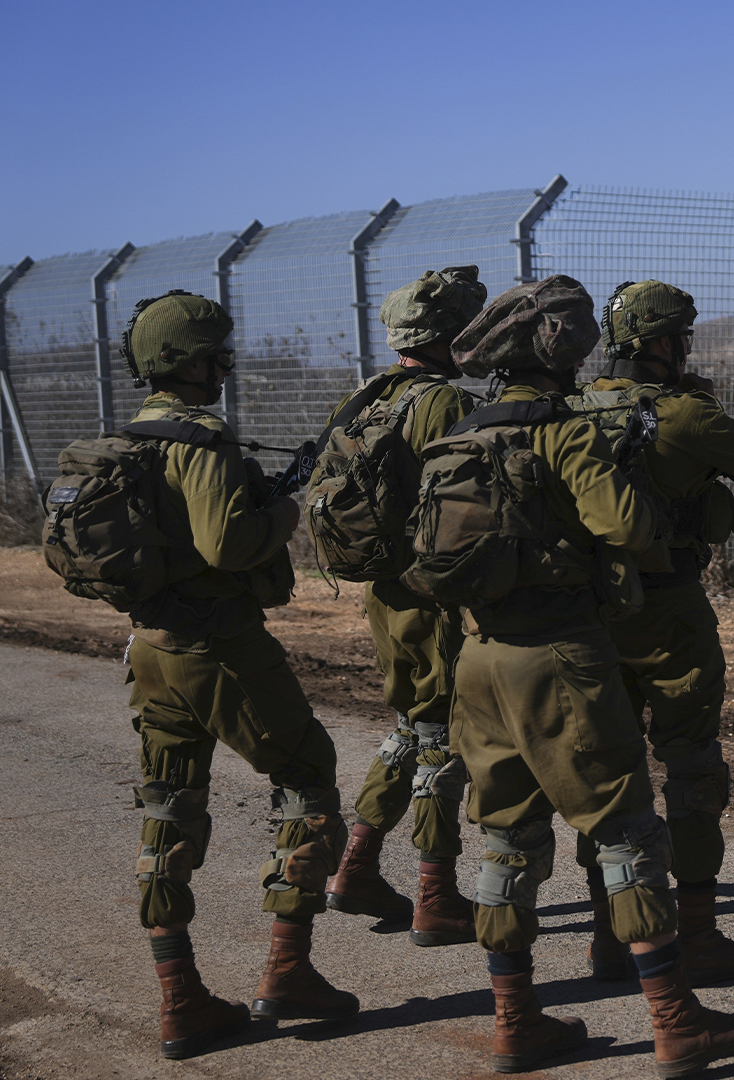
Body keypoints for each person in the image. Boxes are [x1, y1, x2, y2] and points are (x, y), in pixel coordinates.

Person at [440, 276, 734, 1075]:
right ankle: (675, 1019)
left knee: (506, 840)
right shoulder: (561, 431)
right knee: (625, 827)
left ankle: (516, 1021)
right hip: (560, 653)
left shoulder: (460, 431)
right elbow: (625, 525)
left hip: (479, 658)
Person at [105, 292, 358, 1057]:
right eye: (219, 355)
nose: (227, 367)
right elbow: (228, 544)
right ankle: (288, 970)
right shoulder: (203, 437)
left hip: (150, 647)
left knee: (168, 805)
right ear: (190, 361)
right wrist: (289, 508)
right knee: (308, 778)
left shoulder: (134, 435)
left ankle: (180, 998)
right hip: (220, 647)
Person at [571, 280, 734, 988]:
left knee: (605, 772)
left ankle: (611, 938)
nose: (687, 348)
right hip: (668, 613)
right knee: (691, 767)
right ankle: (695, 936)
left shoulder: (568, 411)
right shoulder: (683, 413)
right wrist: (703, 413)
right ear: (660, 344)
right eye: (682, 339)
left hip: (583, 617)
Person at [322, 266, 485, 948]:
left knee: (411, 727)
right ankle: (435, 895)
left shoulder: (363, 397)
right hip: (433, 595)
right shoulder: (442, 404)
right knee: (443, 742)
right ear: (449, 335)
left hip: (384, 593)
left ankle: (355, 868)